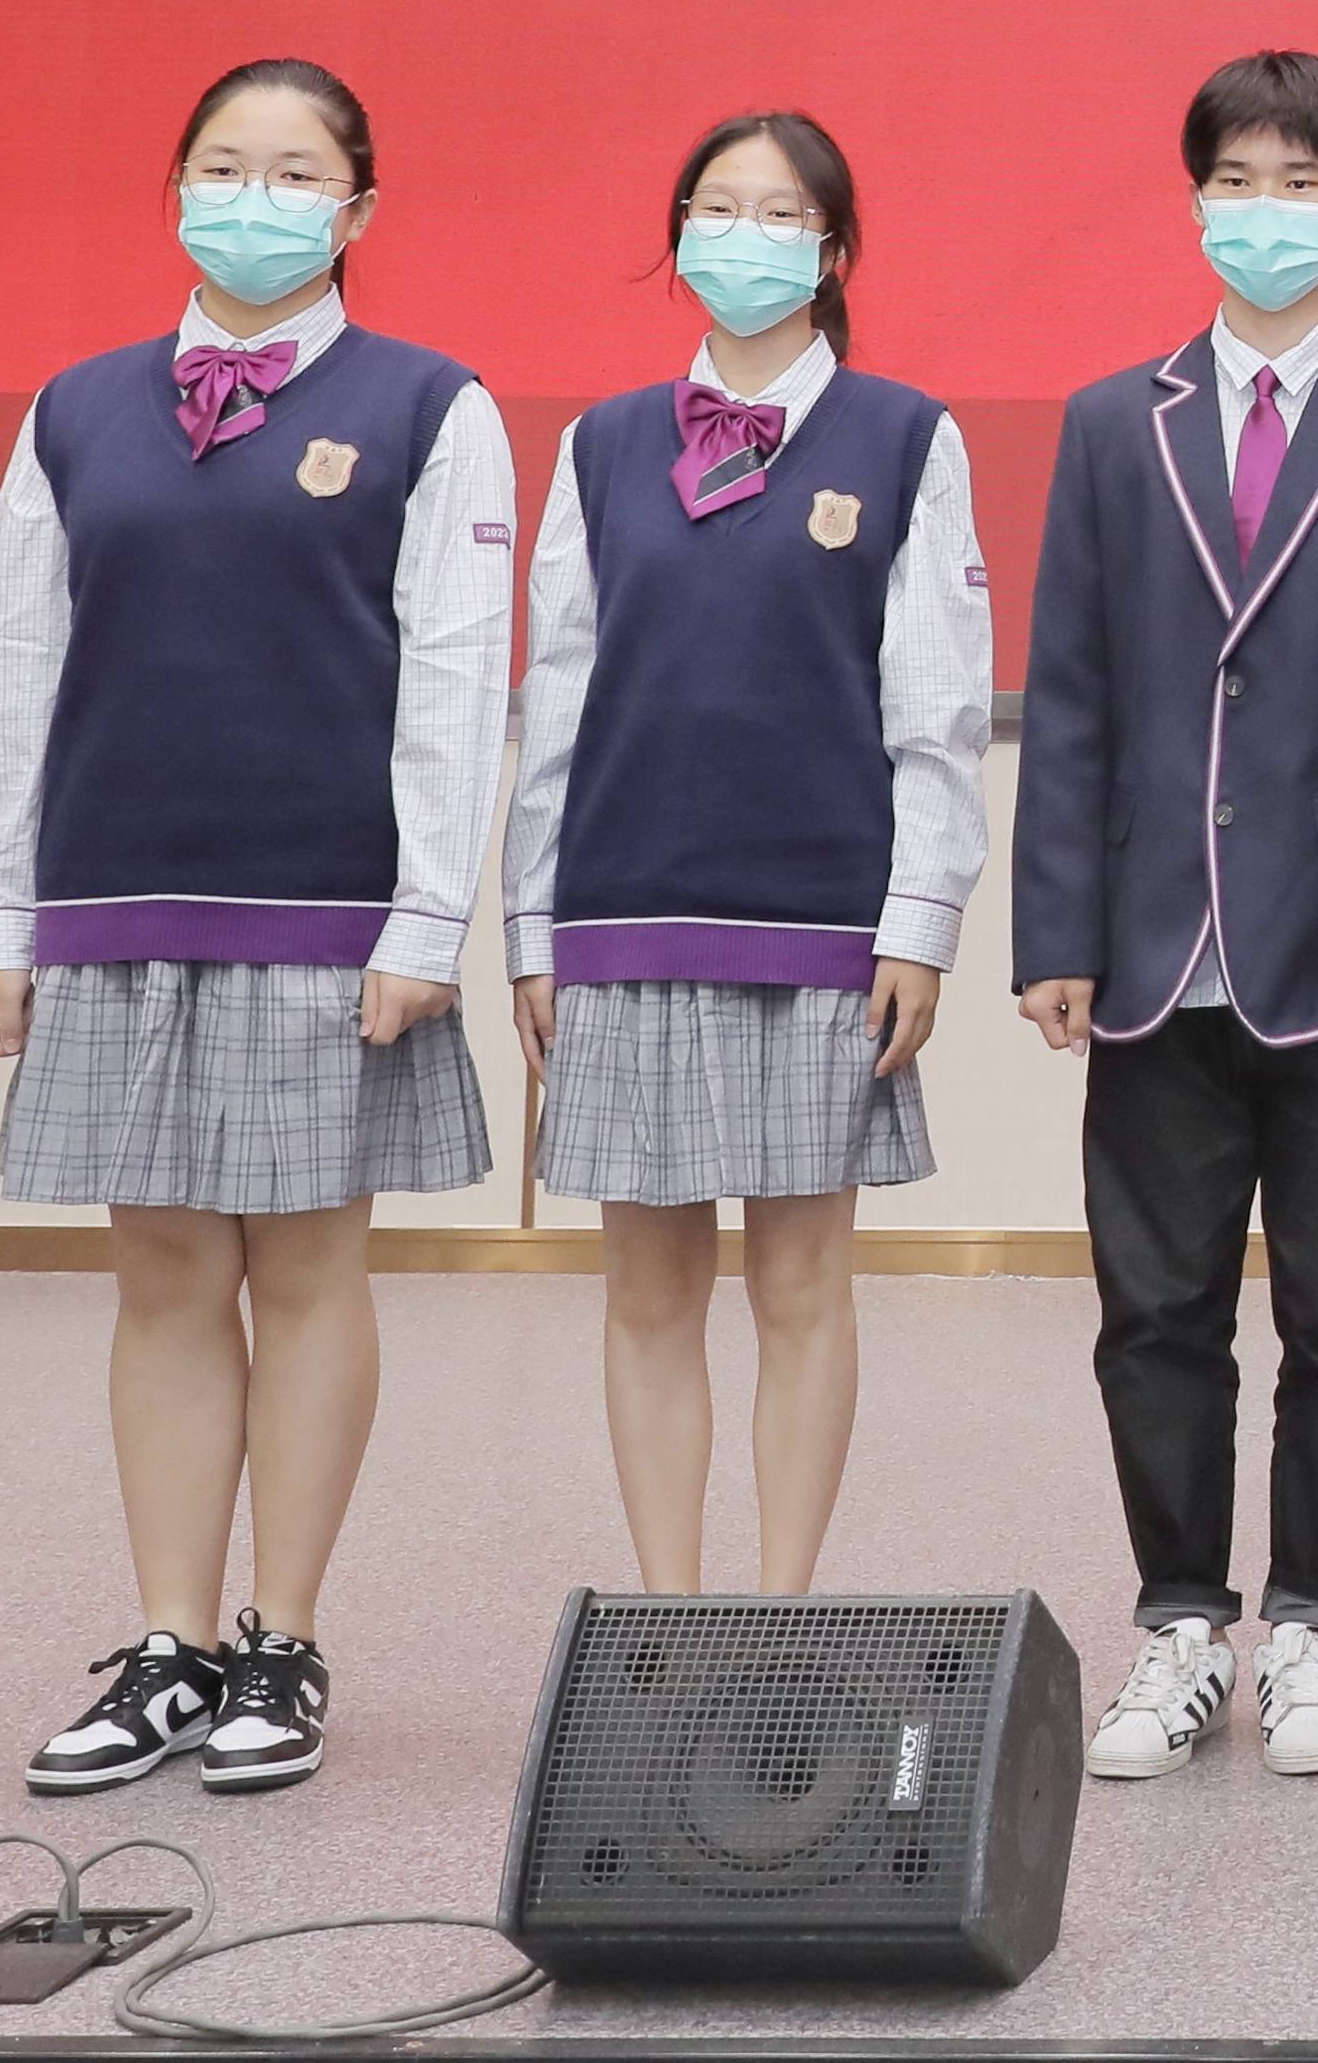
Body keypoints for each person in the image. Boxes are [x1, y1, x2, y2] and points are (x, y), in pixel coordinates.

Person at [0, 58, 507, 1801]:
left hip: (325, 907)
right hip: (114, 893)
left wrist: (427, 917)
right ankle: (170, 1647)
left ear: (357, 208)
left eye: (294, 172)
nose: (251, 198)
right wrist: (0, 908)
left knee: (308, 1270)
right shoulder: (75, 409)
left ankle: (282, 1639)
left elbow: (454, 676)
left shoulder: (430, 406)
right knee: (165, 1275)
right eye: (221, 166)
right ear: (176, 189)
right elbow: (15, 664)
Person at [1013, 48, 1318, 1785]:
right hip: (1153, 949)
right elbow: (1071, 688)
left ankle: (1312, 1629)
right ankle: (1177, 1627)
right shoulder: (1110, 420)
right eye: (1235, 180)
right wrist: (1055, 932)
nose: (1263, 211)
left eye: (1300, 183)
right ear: (1195, 198)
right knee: (1155, 1313)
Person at [507, 111, 991, 1599]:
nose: (744, 237)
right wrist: (530, 928)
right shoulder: (601, 444)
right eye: (715, 209)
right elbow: (557, 698)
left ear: (832, 251)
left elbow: (937, 706)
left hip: (817, 922)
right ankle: (668, 1617)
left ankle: (777, 1615)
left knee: (800, 1285)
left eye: (780, 213)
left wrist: (919, 922)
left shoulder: (905, 437)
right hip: (624, 912)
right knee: (648, 1293)